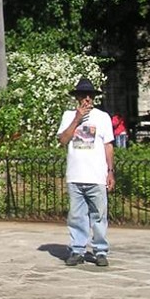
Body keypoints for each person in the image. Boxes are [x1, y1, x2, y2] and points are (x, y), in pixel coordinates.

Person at [57, 77, 115, 267]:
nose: (87, 99)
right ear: (77, 97)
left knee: (99, 215)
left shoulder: (102, 117)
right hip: (76, 175)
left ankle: (100, 251)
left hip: (96, 176)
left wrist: (110, 171)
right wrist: (77, 118)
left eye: (90, 95)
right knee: (76, 216)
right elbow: (63, 140)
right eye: (83, 95)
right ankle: (77, 250)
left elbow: (108, 146)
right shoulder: (68, 116)